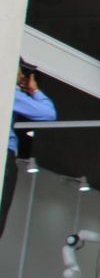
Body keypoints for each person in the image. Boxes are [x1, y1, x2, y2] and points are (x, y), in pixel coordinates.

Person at [3, 60, 58, 239]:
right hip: (5, 156)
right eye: (22, 71)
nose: (23, 76)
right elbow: (48, 113)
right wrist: (34, 91)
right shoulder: (10, 92)